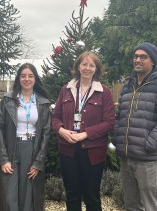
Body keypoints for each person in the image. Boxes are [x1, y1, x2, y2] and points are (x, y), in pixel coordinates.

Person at [112, 42, 157, 211]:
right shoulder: (127, 86)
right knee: (131, 205)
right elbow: (119, 116)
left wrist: (148, 145)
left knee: (149, 206)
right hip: (127, 157)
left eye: (143, 56)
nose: (138, 60)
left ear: (153, 61)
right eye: (136, 56)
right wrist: (118, 139)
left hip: (147, 159)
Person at [52, 51, 115, 211]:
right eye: (84, 64)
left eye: (91, 65)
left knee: (91, 195)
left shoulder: (104, 92)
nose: (87, 68)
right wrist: (62, 131)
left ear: (96, 69)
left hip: (93, 152)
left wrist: (84, 134)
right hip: (68, 150)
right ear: (78, 66)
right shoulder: (66, 90)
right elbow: (55, 118)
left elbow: (109, 122)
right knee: (72, 194)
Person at [0, 63, 51, 211]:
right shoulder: (8, 100)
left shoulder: (42, 103)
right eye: (23, 76)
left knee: (28, 197)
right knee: (9, 196)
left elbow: (46, 134)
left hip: (32, 150)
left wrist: (38, 161)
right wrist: (3, 159)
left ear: (35, 79)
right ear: (18, 78)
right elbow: (0, 130)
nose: (27, 79)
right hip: (12, 148)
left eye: (30, 76)